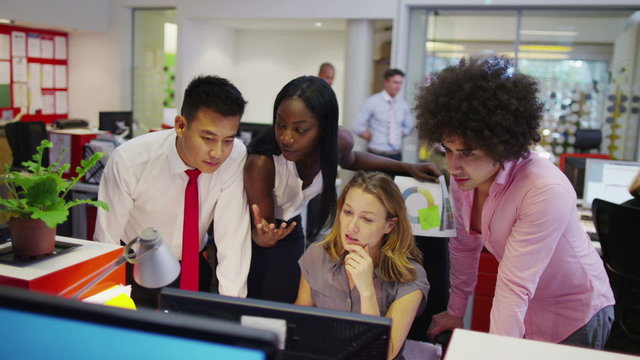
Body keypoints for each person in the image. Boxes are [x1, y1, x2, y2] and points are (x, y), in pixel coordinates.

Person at [415, 57, 615, 348]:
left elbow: (514, 286)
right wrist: (455, 312)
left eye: (468, 152)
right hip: (528, 310)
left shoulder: (543, 189)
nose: (453, 165)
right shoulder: (466, 181)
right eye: (447, 150)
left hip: (575, 313)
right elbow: (464, 247)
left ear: (502, 144)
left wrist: (497, 352)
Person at [244, 75, 440, 303]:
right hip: (253, 239)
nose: (286, 138)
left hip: (291, 231)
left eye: (300, 130)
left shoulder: (339, 141)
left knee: (293, 306)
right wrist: (262, 237)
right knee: (262, 309)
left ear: (324, 129)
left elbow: (353, 160)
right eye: (280, 125)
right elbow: (262, 231)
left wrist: (408, 167)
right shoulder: (262, 164)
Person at [94, 75, 251, 308]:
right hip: (137, 269)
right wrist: (107, 304)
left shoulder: (235, 155)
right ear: (180, 126)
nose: (218, 153)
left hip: (193, 270)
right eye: (208, 138)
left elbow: (233, 235)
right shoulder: (130, 162)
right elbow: (105, 241)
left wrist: (230, 310)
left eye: (227, 140)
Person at [295, 171, 429, 360]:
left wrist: (367, 290)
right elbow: (299, 323)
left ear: (389, 226)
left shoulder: (410, 277)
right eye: (348, 212)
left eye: (366, 219)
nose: (352, 226)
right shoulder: (317, 256)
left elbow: (385, 353)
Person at [354, 69, 413, 161]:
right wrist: (371, 137)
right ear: (386, 83)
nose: (398, 86)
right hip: (376, 154)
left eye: (400, 83)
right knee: (373, 176)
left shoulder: (403, 105)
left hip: (396, 155)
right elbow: (357, 127)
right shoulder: (372, 101)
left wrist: (399, 133)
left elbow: (409, 128)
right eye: (395, 82)